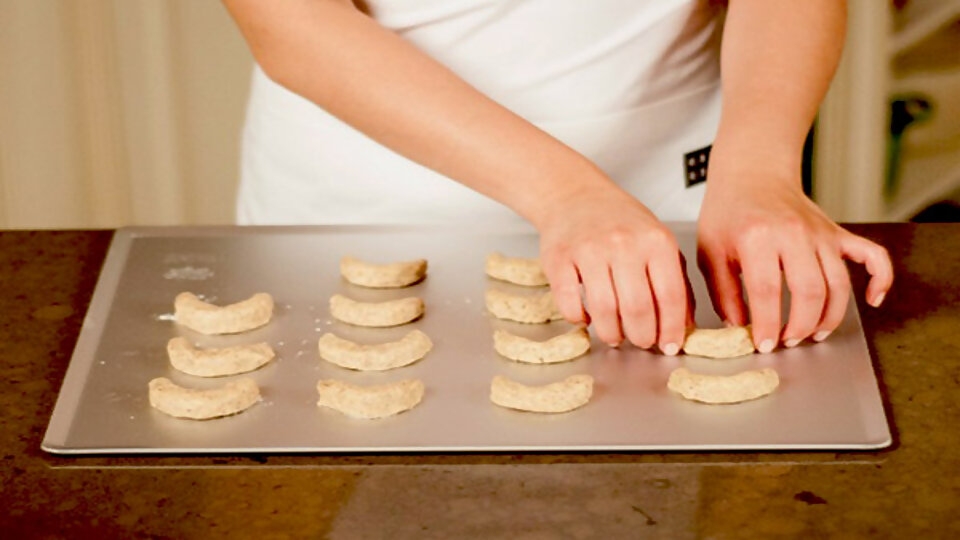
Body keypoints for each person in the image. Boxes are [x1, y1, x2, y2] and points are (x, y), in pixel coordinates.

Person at [222, 0, 893, 355]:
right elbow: (290, 17)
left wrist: (759, 168)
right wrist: (568, 193)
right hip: (373, 206)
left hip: (678, 202)